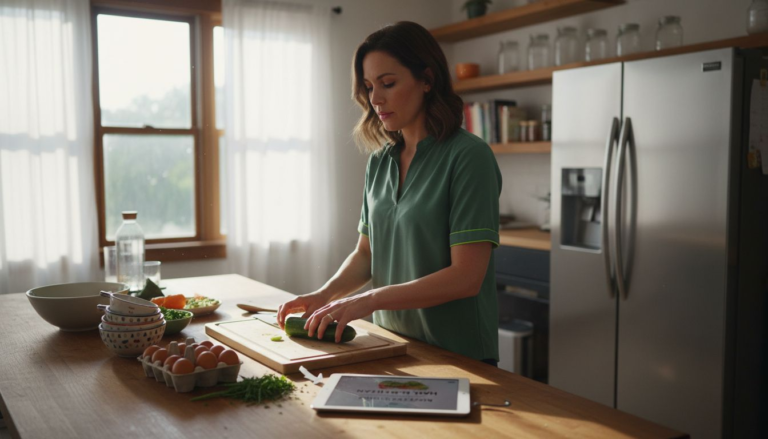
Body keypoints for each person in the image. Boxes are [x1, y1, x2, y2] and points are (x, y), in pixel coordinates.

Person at [277, 21, 502, 366]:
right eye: (369, 86)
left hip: (459, 354)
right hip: (393, 347)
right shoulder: (380, 162)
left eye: (388, 83)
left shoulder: (469, 157)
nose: (375, 98)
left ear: (427, 80)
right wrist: (324, 295)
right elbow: (367, 254)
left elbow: (467, 278)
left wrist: (369, 301)